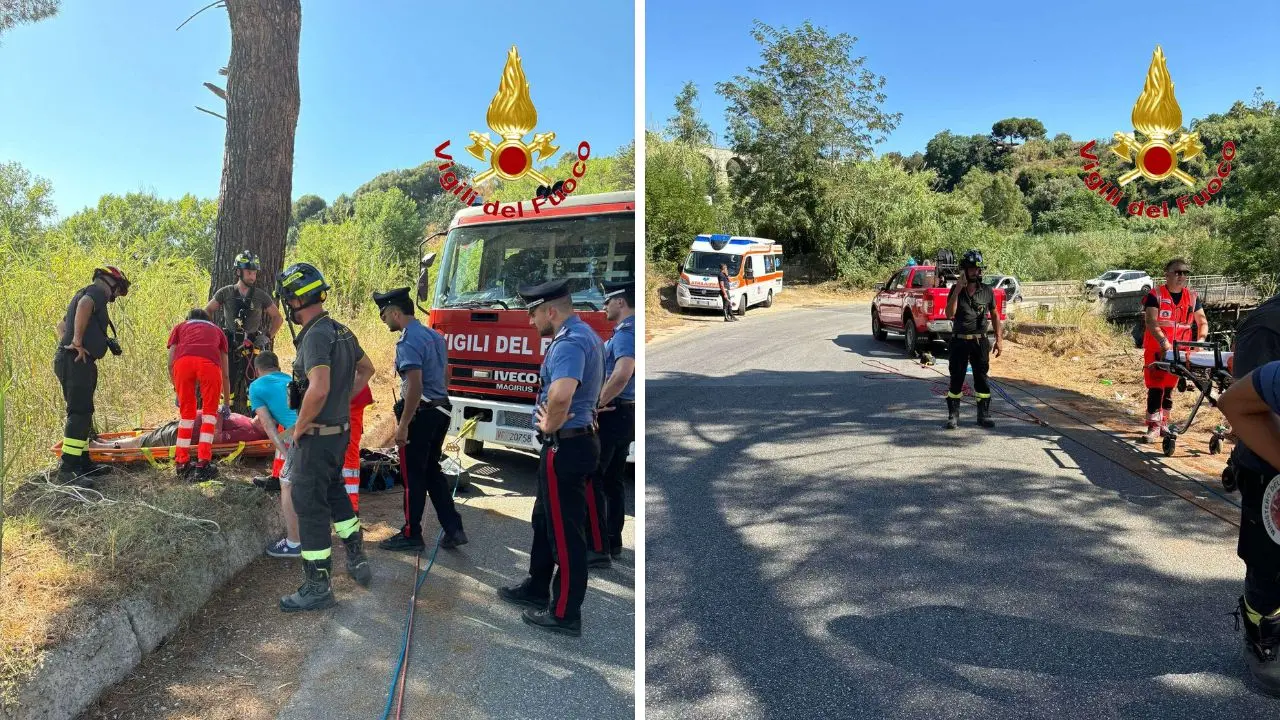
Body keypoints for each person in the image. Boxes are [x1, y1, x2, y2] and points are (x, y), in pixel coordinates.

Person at [499, 278, 604, 637]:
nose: (530, 322)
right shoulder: (587, 335)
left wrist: (550, 426)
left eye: (533, 314)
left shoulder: (570, 342)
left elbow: (560, 394)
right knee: (544, 520)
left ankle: (564, 613)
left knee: (565, 534)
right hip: (572, 443)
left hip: (566, 446)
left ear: (551, 311)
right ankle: (536, 586)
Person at [275, 262, 372, 611]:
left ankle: (318, 587)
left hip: (317, 438)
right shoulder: (341, 330)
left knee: (310, 507)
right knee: (335, 493)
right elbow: (367, 369)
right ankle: (357, 556)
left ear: (294, 300)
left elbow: (317, 388)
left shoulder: (315, 335)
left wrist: (299, 428)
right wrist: (341, 401)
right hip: (338, 434)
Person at [372, 287, 468, 552]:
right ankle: (454, 528)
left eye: (383, 315)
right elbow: (446, 375)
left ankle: (411, 533)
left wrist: (403, 425)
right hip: (441, 410)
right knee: (431, 471)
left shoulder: (408, 342)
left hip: (421, 415)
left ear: (395, 313)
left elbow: (415, 385)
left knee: (412, 476)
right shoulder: (434, 336)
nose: (384, 321)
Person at [1219, 359, 1280, 693]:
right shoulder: (1265, 332)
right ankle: (1262, 637)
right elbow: (1234, 402)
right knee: (1269, 566)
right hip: (1266, 466)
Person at [54, 265, 131, 488]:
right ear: (109, 281)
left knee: (84, 413)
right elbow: (85, 305)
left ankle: (82, 462)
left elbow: (62, 325)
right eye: (117, 288)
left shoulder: (85, 293)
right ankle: (68, 469)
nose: (116, 294)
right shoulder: (96, 292)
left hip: (76, 360)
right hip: (76, 361)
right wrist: (76, 342)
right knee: (79, 413)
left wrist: (69, 342)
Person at [586, 280, 636, 568]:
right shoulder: (628, 331)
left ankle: (597, 547)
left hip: (613, 413)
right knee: (612, 480)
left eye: (607, 300)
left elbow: (622, 373)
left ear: (620, 302)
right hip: (624, 414)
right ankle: (612, 541)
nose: (604, 306)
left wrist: (596, 404)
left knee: (594, 478)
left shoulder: (626, 333)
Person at [205, 251, 284, 413]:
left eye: (254, 273)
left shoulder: (260, 296)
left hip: (252, 344)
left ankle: (256, 417)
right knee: (227, 381)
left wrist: (267, 336)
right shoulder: (225, 292)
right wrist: (215, 334)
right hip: (229, 343)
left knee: (254, 383)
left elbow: (277, 318)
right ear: (238, 272)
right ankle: (226, 414)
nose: (252, 277)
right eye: (249, 272)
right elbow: (207, 311)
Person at [1141, 258, 1210, 443]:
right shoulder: (1155, 295)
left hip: (1180, 351)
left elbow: (1202, 322)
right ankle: (1153, 425)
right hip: (1157, 350)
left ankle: (1164, 423)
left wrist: (1200, 342)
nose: (1182, 276)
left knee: (1169, 388)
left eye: (1185, 273)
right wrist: (1164, 343)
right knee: (1155, 387)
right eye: (1178, 272)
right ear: (1167, 274)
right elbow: (1151, 321)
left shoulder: (1192, 297)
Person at [247, 351, 302, 558]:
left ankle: (294, 542)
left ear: (257, 370)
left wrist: (286, 454)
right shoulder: (288, 379)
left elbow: (268, 426)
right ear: (277, 367)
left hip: (301, 435)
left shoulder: (256, 386)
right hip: (319, 430)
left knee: (286, 483)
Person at [166, 308, 230, 481]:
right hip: (209, 366)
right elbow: (225, 373)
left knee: (187, 416)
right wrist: (226, 403)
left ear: (189, 319)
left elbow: (170, 363)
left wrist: (177, 390)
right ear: (208, 320)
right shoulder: (218, 331)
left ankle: (181, 463)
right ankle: (203, 463)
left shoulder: (180, 327)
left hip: (182, 364)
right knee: (209, 416)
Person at [943, 249, 1003, 430]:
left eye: (978, 269)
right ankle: (953, 416)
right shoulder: (955, 290)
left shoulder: (987, 291)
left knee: (981, 378)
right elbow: (949, 314)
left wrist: (999, 339)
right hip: (959, 341)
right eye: (971, 269)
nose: (975, 272)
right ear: (964, 270)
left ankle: (983, 415)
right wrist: (958, 289)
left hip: (980, 342)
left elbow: (995, 315)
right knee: (956, 378)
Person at [88, 411, 267, 450]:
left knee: (143, 442)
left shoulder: (249, 433)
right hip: (186, 423)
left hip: (185, 435)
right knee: (146, 437)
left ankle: (102, 448)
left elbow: (216, 439)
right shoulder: (249, 421)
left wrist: (216, 413)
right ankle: (110, 443)